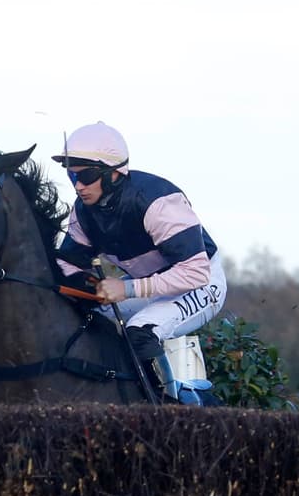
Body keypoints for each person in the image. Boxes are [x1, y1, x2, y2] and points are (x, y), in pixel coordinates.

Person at [52, 121, 227, 401]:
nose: (79, 186)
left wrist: (128, 289)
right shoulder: (83, 213)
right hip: (153, 283)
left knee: (140, 331)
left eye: (86, 176)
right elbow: (68, 265)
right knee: (86, 317)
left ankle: (167, 410)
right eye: (73, 178)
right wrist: (88, 288)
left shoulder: (156, 202)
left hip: (201, 283)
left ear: (113, 174)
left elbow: (195, 273)